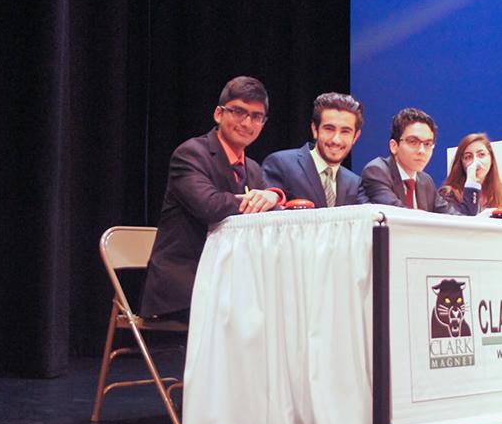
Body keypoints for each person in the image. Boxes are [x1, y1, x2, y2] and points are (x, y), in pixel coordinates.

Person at [140, 76, 282, 321]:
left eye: (256, 116)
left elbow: (272, 214)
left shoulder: (253, 168)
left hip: (231, 279)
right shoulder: (191, 153)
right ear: (219, 113)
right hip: (186, 280)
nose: (247, 123)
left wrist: (273, 196)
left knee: (284, 304)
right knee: (253, 314)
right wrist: (260, 202)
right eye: (238, 111)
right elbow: (209, 206)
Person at [360, 107, 476, 214]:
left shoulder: (425, 181)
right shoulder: (377, 171)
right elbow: (396, 215)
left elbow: (450, 216)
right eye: (413, 142)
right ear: (394, 146)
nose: (422, 150)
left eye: (427, 144)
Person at [262, 92, 368, 207]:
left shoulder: (355, 183)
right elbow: (269, 213)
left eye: (345, 131)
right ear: (314, 130)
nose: (336, 140)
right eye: (329, 129)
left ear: (356, 136)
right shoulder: (281, 164)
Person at [439, 133, 502, 218]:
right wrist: (471, 184)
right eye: (468, 157)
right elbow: (466, 224)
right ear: (461, 163)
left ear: (491, 158)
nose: (475, 162)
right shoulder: (449, 194)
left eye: (481, 155)